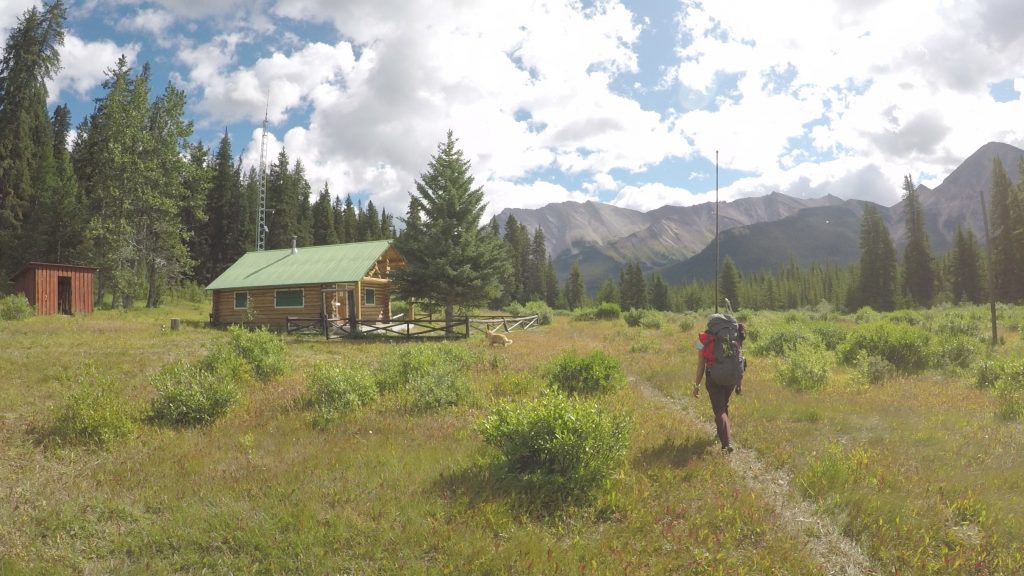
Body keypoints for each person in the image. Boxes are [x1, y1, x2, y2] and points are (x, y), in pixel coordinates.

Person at [692, 321, 745, 453]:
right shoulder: (733, 336)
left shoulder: (703, 339)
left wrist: (696, 385)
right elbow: (739, 361)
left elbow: (700, 366)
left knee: (719, 410)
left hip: (713, 377)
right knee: (723, 404)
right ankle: (722, 433)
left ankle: (726, 443)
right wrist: (739, 384)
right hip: (732, 378)